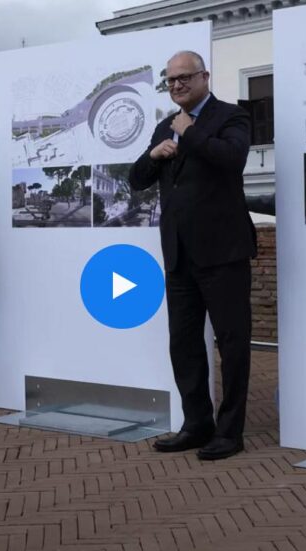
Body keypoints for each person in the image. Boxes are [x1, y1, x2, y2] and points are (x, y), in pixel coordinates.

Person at [128, 50, 257, 460]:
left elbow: (233, 160)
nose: (177, 85)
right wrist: (153, 155)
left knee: (232, 344)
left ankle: (230, 432)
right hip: (179, 255)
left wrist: (193, 132)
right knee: (183, 345)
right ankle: (197, 424)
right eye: (171, 80)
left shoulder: (232, 116)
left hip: (223, 253)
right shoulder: (165, 126)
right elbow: (136, 180)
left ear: (205, 77)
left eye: (185, 77)